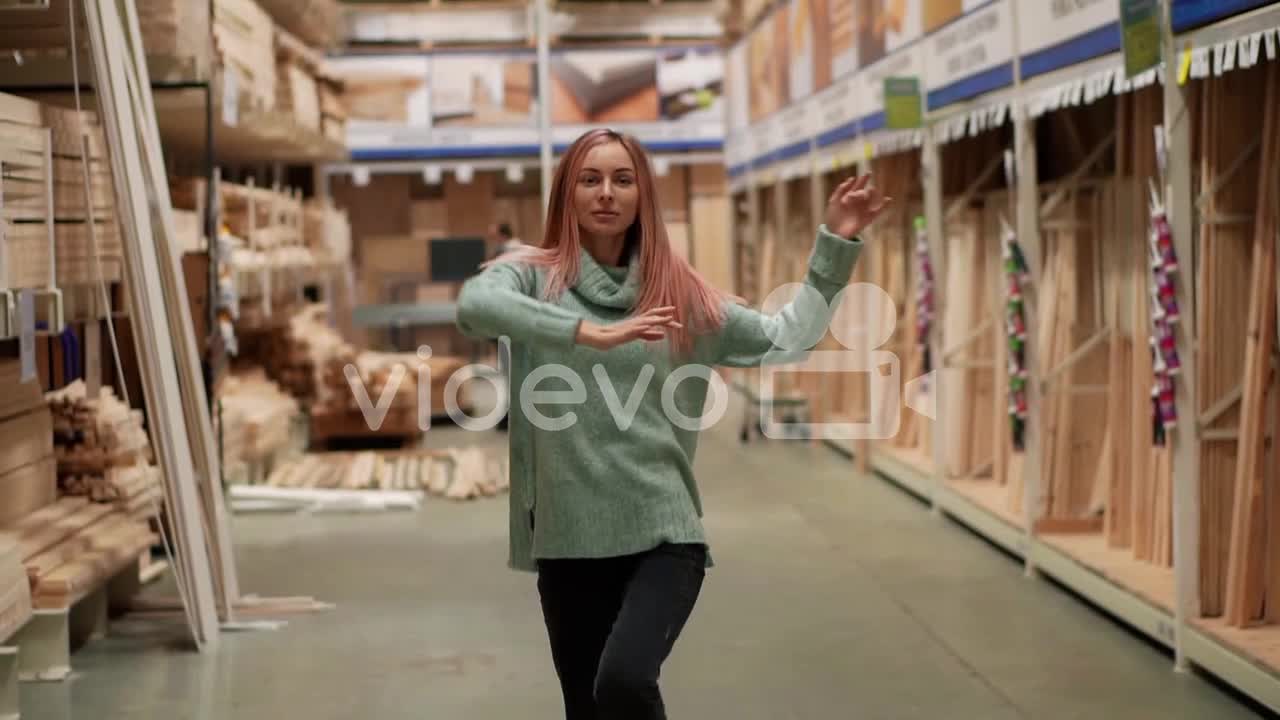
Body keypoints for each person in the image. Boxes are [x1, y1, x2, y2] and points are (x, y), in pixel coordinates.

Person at [455, 128, 890, 720]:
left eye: (622, 179)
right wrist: (583, 331)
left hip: (662, 532)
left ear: (642, 196)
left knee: (625, 683)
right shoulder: (532, 276)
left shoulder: (674, 292)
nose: (606, 193)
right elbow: (475, 306)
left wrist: (835, 246)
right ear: (566, 194)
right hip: (566, 537)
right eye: (590, 179)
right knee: (589, 708)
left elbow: (787, 339)